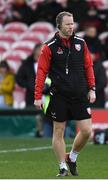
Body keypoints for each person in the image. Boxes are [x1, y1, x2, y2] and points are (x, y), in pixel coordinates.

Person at [34, 11, 96, 177]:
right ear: (59, 25)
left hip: (80, 94)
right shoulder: (49, 46)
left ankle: (72, 157)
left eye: (72, 23)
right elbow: (41, 72)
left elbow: (88, 66)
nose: (71, 26)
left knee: (86, 131)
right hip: (59, 95)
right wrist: (37, 96)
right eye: (68, 24)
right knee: (58, 131)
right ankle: (62, 166)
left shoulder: (81, 43)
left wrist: (92, 88)